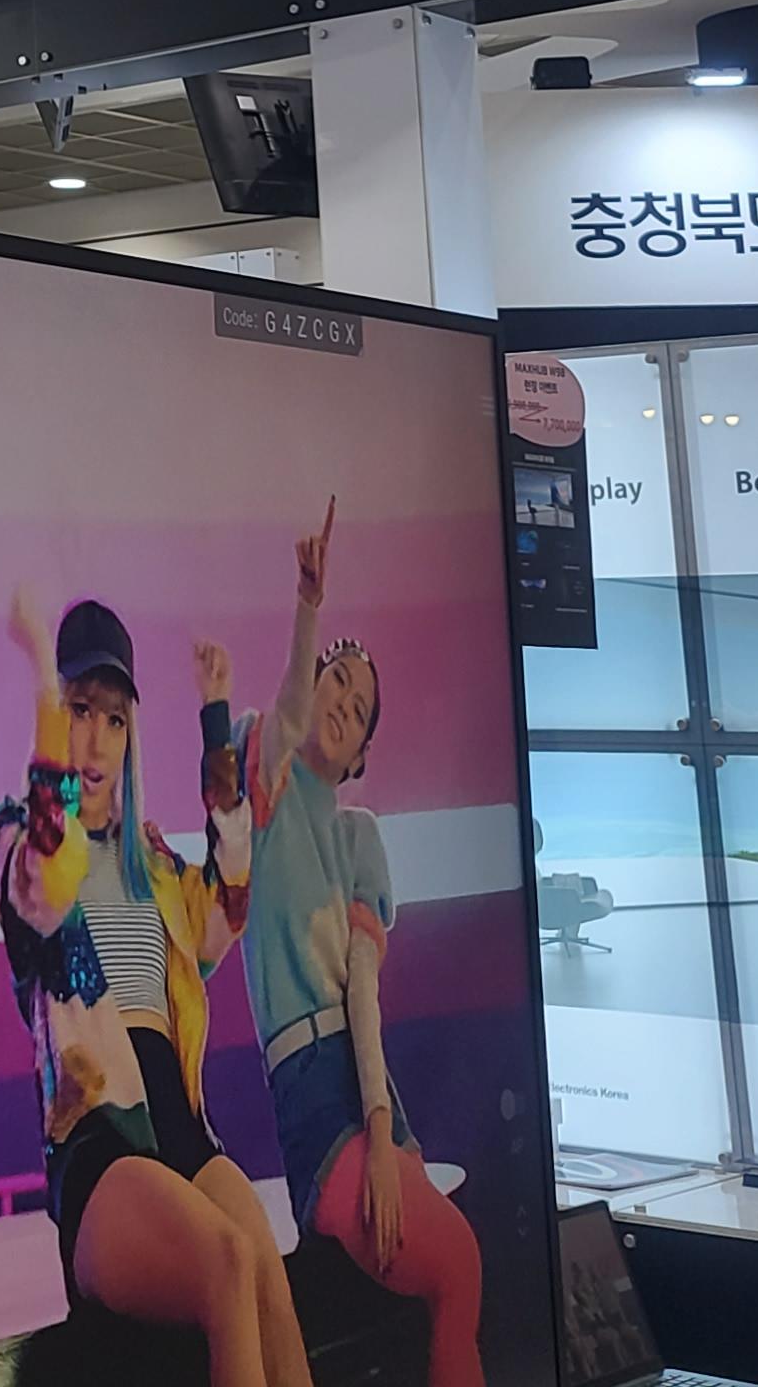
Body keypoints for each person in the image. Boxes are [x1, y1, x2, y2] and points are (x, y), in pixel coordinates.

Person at [0, 593, 309, 1387]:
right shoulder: (13, 840)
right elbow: (48, 881)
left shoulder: (154, 865)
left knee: (266, 1265)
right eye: (79, 711)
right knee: (228, 1259)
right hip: (101, 1144)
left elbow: (226, 913)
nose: (96, 739)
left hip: (181, 1128)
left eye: (115, 719)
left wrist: (215, 720)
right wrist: (41, 682)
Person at [209, 506, 483, 1387]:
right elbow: (288, 710)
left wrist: (383, 1132)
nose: (341, 703)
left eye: (360, 708)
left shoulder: (361, 836)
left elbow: (363, 993)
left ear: (365, 749)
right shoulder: (267, 775)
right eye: (337, 682)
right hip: (306, 1090)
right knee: (457, 1269)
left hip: (366, 1090)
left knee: (451, 1281)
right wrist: (308, 607)